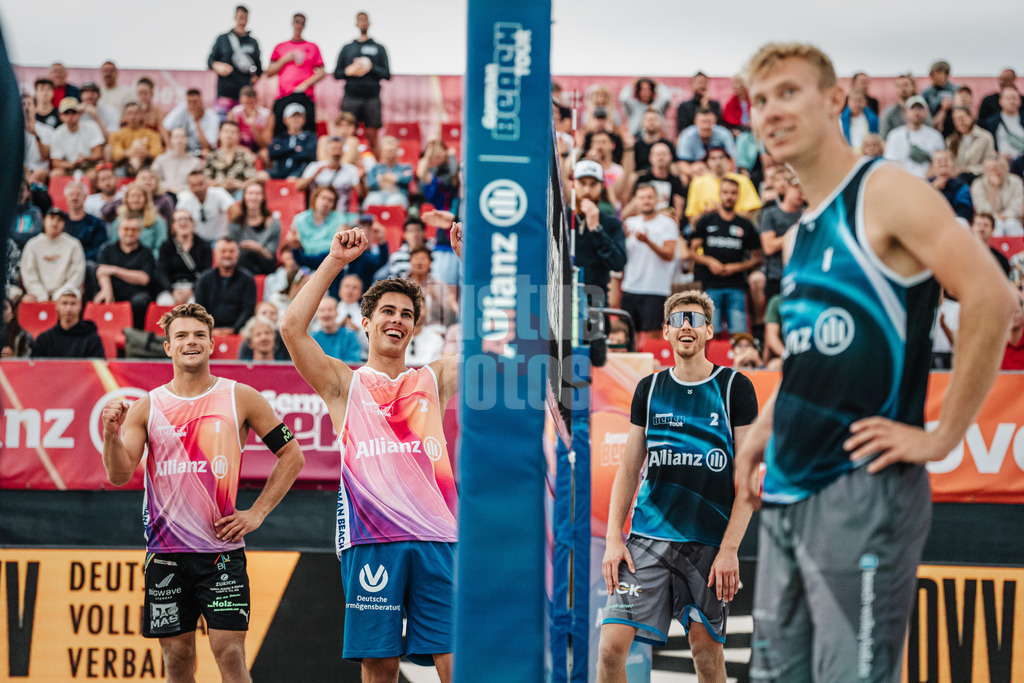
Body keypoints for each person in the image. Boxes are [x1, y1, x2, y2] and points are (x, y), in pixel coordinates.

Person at [736, 42, 1020, 682]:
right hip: (786, 487)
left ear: (836, 100)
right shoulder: (805, 226)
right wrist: (760, 432)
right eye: (758, 100)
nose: (770, 112)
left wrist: (944, 435)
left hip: (860, 487)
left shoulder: (885, 190)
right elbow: (816, 355)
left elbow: (992, 297)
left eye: (788, 92)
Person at [281, 225, 462, 682]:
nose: (396, 319)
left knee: (456, 660)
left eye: (406, 313)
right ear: (365, 322)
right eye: (386, 311)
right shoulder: (344, 383)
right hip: (371, 538)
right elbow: (290, 327)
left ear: (414, 327)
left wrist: (474, 264)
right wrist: (335, 262)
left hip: (437, 536)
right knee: (379, 666)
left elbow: (500, 333)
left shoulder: (433, 378)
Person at [101, 302, 304, 683]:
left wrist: (256, 513)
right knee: (177, 658)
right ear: (167, 346)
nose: (190, 342)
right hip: (165, 557)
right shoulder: (148, 406)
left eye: (198, 335)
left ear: (212, 344)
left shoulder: (240, 396)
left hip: (221, 556)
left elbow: (292, 455)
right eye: (181, 336)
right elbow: (119, 473)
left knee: (229, 654)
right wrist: (111, 436)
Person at [597, 290, 758, 683]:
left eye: (697, 319)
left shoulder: (735, 387)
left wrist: (730, 550)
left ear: (708, 332)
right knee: (610, 648)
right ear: (665, 331)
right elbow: (629, 469)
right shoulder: (649, 389)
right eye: (679, 319)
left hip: (708, 545)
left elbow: (751, 478)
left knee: (706, 656)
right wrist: (613, 539)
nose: (688, 325)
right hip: (648, 539)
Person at [690, 179, 763, 335]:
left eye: (733, 193)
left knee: (739, 334)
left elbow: (758, 258)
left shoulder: (745, 224)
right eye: (726, 192)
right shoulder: (706, 221)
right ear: (720, 194)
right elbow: (692, 251)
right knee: (710, 333)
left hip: (736, 286)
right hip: (710, 285)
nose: (729, 196)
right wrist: (710, 261)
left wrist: (736, 267)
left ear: (738, 196)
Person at [620, 184, 679, 340]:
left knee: (653, 336)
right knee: (628, 336)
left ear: (657, 200)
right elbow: (620, 257)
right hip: (630, 286)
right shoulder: (629, 223)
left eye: (649, 197)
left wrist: (648, 241)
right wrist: (621, 240)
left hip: (655, 289)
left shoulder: (667, 224)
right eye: (642, 198)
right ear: (636, 201)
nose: (646, 201)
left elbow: (669, 254)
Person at [334, 11, 391, 155]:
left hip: (372, 97)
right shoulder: (348, 48)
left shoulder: (379, 48)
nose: (363, 23)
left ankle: (375, 165)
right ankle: (349, 163)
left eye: (365, 20)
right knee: (348, 134)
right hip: (351, 97)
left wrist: (370, 67)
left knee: (372, 135)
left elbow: (387, 74)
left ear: (369, 23)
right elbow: (337, 73)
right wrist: (349, 70)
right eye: (360, 20)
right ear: (356, 23)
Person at [572, 160, 627, 303]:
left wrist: (596, 229)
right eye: (582, 183)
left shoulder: (611, 223)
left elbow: (618, 262)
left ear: (602, 186)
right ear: (574, 184)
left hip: (596, 302)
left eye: (593, 184)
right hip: (563, 300)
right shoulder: (562, 219)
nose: (587, 191)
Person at [266, 12, 324, 137]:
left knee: (308, 131)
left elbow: (321, 72)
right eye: (297, 22)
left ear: (305, 26)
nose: (299, 25)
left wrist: (305, 85)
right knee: (279, 131)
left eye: (302, 23)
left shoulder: (313, 47)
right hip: (284, 94)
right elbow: (269, 72)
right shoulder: (280, 47)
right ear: (292, 23)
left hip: (305, 94)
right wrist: (285, 60)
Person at [94, 216, 156, 329]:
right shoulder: (107, 250)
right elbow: (101, 271)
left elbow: (144, 278)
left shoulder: (146, 253)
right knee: (100, 298)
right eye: (126, 229)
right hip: (113, 293)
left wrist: (114, 270)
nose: (130, 233)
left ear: (139, 232)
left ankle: (134, 338)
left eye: (134, 230)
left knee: (141, 301)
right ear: (118, 231)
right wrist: (106, 289)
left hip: (136, 295)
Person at [20, 207, 86, 303]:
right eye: (51, 218)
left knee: (69, 301)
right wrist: (41, 296)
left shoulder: (74, 245)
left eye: (59, 220)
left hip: (65, 293)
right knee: (27, 300)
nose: (54, 223)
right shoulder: (32, 244)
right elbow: (28, 274)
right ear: (44, 221)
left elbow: (77, 275)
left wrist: (59, 295)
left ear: (64, 224)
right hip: (38, 294)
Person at [194, 237, 258, 335]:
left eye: (231, 251)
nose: (227, 255)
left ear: (237, 254)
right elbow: (200, 308)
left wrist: (234, 329)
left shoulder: (248, 279)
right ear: (215, 254)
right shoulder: (204, 279)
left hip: (240, 330)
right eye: (223, 251)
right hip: (209, 329)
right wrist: (211, 329)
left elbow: (248, 310)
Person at [208, 5, 263, 116]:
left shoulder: (253, 42)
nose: (242, 18)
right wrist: (217, 65)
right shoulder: (223, 39)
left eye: (244, 16)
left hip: (244, 95)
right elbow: (210, 60)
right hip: (225, 93)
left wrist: (255, 77)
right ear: (235, 17)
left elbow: (259, 66)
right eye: (240, 16)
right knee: (223, 125)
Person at [156, 210, 214, 305]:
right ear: (173, 225)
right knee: (164, 302)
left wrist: (192, 290)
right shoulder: (167, 246)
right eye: (179, 220)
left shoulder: (203, 246)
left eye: (186, 219)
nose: (183, 223)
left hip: (195, 287)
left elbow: (207, 272)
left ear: (193, 223)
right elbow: (161, 272)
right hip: (173, 288)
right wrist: (172, 291)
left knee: (195, 304)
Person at [30, 287, 105, 358]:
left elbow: (97, 367)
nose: (69, 309)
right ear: (57, 306)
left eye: (73, 304)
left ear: (80, 306)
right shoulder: (45, 339)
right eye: (64, 303)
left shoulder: (92, 339)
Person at [883, 95, 945, 179]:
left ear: (926, 112)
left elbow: (939, 164)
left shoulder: (936, 136)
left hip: (929, 183)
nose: (916, 112)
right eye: (912, 108)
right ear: (906, 112)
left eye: (920, 108)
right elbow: (892, 164)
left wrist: (924, 181)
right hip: (902, 181)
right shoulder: (895, 136)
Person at [228, 180, 281, 275]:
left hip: (265, 264)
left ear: (263, 197)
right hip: (242, 264)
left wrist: (258, 248)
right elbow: (232, 250)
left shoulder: (274, 224)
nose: (253, 197)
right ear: (244, 197)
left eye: (257, 194)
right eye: (250, 193)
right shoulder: (235, 224)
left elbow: (271, 255)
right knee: (246, 257)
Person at [110, 181, 169, 260]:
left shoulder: (157, 221)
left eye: (139, 196)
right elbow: (113, 244)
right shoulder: (118, 221)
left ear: (146, 199)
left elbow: (161, 248)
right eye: (132, 196)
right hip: (123, 262)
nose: (135, 200)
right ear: (126, 199)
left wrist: (146, 261)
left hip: (148, 262)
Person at [49, 98, 104, 176]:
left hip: (89, 166)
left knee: (92, 175)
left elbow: (98, 153)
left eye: (73, 112)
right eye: (66, 113)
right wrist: (71, 164)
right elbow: (56, 162)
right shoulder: (57, 133)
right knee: (55, 174)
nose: (70, 116)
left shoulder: (91, 126)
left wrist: (86, 158)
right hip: (69, 168)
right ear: (61, 116)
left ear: (80, 114)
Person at [176, 170, 236, 242]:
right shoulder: (185, 198)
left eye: (200, 184)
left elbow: (235, 209)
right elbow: (177, 219)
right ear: (189, 186)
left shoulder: (218, 193)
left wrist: (232, 229)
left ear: (207, 183)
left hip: (219, 240)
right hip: (196, 242)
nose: (198, 188)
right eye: (193, 185)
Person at [970, 156, 1024, 236]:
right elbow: (983, 211)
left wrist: (1004, 216)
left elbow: (1017, 206)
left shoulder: (1016, 182)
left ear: (1005, 169)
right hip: (988, 221)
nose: (993, 173)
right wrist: (993, 189)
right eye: (989, 170)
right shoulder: (978, 185)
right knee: (998, 225)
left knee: (1010, 224)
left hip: (1013, 219)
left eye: (996, 169)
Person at [110, 101, 164, 176]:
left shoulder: (151, 134)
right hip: (124, 165)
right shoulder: (117, 135)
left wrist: (146, 153)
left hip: (146, 164)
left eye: (136, 113)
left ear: (141, 116)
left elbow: (158, 152)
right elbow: (116, 154)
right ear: (124, 116)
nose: (133, 117)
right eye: (129, 113)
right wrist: (129, 152)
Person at [205, 120, 258, 195]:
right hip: (217, 193)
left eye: (233, 132)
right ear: (219, 134)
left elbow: (252, 179)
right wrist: (220, 182)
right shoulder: (211, 156)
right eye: (226, 131)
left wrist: (240, 184)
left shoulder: (246, 156)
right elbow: (205, 180)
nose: (229, 135)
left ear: (238, 136)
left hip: (239, 193)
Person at [162, 89, 220, 156]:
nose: (192, 105)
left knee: (206, 151)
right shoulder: (183, 108)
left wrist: (196, 121)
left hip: (201, 151)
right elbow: (165, 126)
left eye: (195, 102)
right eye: (189, 102)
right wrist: (169, 146)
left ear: (201, 102)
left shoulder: (212, 116)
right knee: (178, 132)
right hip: (183, 149)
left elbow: (208, 145)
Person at [63, 181, 108, 263]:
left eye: (78, 194)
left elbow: (100, 249)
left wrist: (78, 259)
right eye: (71, 194)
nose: (74, 197)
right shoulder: (61, 222)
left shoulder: (96, 223)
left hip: (88, 264)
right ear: (66, 197)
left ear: (85, 197)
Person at [268, 104, 317, 179]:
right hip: (279, 170)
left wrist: (283, 152)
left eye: (299, 116)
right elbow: (272, 154)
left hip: (299, 170)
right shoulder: (280, 137)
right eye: (292, 116)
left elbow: (309, 154)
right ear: (285, 120)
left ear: (304, 119)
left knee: (292, 180)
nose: (295, 119)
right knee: (260, 176)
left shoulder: (309, 137)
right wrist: (293, 149)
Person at [311, 296, 362, 363]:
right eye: (322, 310)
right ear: (317, 315)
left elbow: (354, 362)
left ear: (337, 313)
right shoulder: (312, 339)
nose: (326, 314)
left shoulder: (350, 336)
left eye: (330, 310)